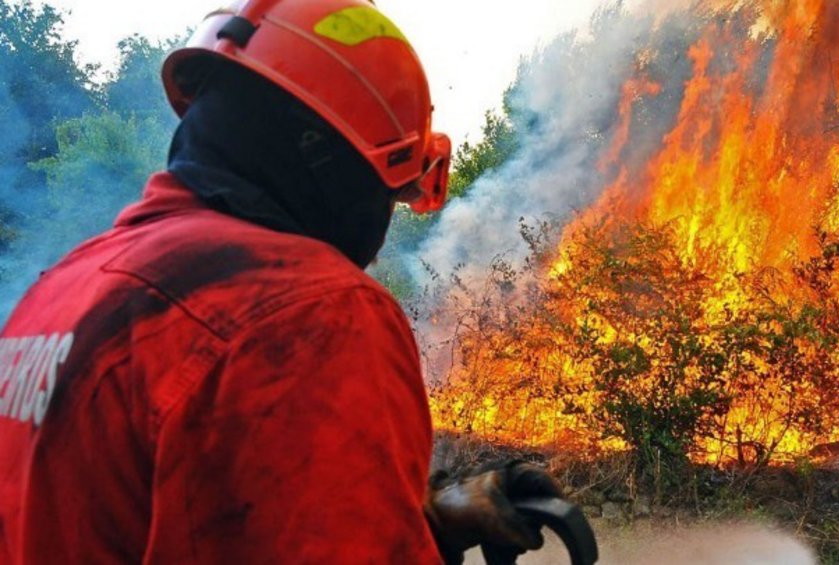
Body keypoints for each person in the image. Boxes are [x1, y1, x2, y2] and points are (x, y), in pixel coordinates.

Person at [0, 1, 564, 563]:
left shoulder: (61, 289)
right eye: (392, 188)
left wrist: (405, 521)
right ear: (326, 157)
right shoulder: (310, 315)